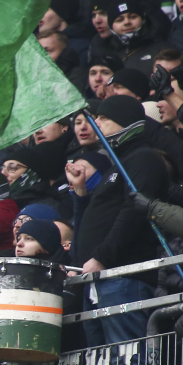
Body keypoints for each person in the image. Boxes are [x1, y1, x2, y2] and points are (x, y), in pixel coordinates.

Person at [71, 96, 168, 351]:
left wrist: (102, 257)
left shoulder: (143, 158)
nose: (96, 124)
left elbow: (133, 213)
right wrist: (80, 194)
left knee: (127, 359)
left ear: (124, 121)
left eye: (103, 118)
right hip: (98, 278)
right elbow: (97, 218)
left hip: (122, 278)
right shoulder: (117, 166)